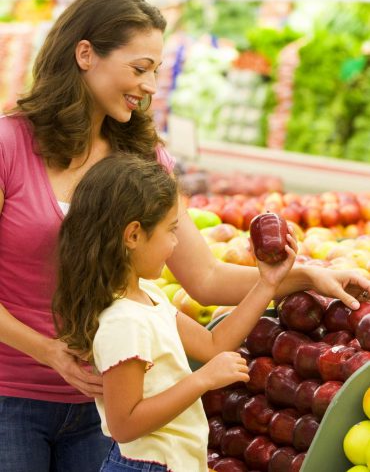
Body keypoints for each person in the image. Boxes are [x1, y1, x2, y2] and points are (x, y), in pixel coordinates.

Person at [0, 0, 369, 471]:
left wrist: (307, 273)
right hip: (12, 398)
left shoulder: (145, 161)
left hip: (112, 408)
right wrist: (50, 353)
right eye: (139, 68)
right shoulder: (9, 146)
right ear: (85, 54)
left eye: (156, 69)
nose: (151, 86)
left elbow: (205, 279)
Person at [52, 152, 298, 472]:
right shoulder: (123, 321)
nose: (174, 244)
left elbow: (214, 344)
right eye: (171, 231)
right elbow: (125, 424)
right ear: (134, 235)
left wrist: (267, 284)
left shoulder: (149, 297)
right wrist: (202, 381)